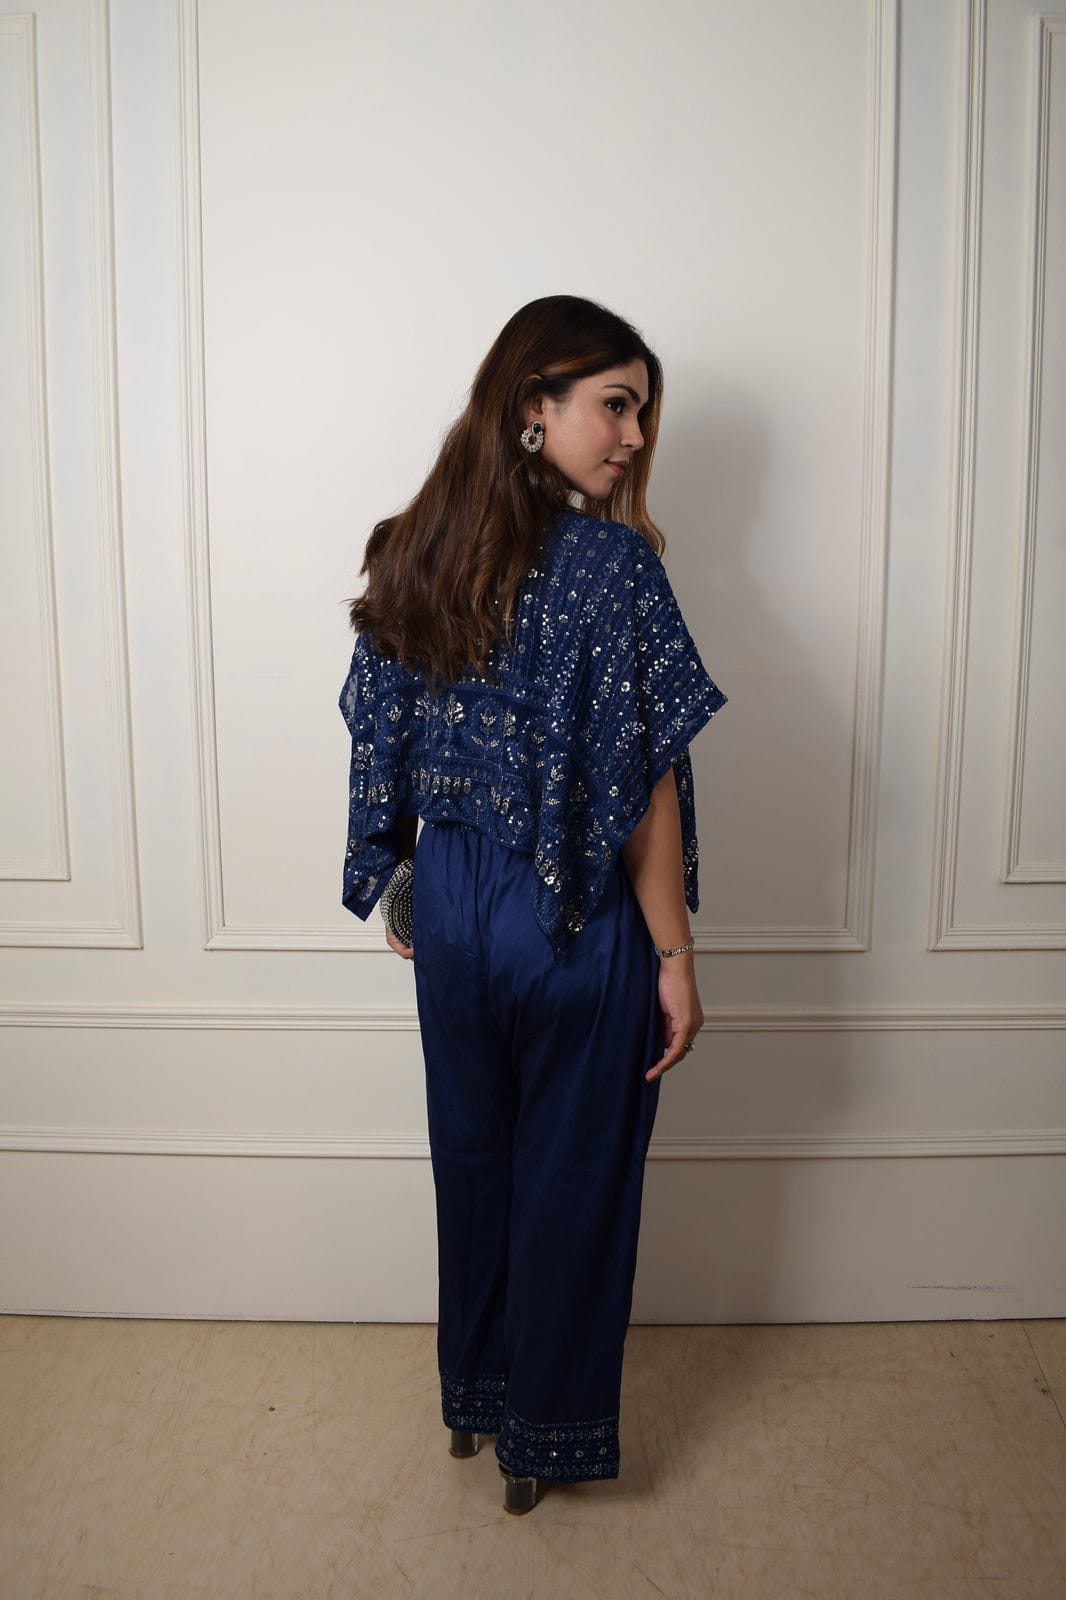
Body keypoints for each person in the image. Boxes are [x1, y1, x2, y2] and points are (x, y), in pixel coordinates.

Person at [338, 295, 728, 1515]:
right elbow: (643, 785)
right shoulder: (613, 568)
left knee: (474, 1159)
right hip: (571, 911)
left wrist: (401, 875)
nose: (633, 436)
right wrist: (675, 955)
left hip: (453, 907)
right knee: (572, 1174)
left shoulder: (411, 547)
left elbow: (380, 732)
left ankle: (475, 1401)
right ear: (530, 407)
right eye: (614, 404)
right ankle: (540, 1440)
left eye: (640, 412)